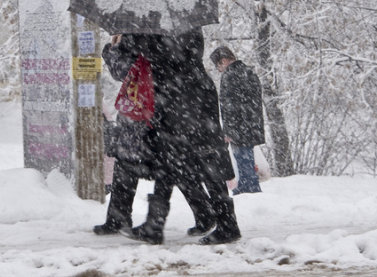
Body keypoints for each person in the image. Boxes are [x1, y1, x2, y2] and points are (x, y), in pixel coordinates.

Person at [109, 29, 241, 245]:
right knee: (179, 164)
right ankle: (157, 225)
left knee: (190, 164)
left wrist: (119, 44)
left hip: (182, 102)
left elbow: (139, 54)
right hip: (190, 96)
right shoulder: (185, 27)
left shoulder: (158, 32)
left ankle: (225, 224)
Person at [94, 35, 217, 238]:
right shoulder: (179, 35)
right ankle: (204, 212)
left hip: (143, 112)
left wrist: (112, 50)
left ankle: (123, 219)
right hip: (167, 108)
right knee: (175, 166)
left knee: (134, 164)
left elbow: (122, 70)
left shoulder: (139, 35)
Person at [209, 46, 266, 195]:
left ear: (224, 61)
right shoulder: (248, 71)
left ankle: (248, 189)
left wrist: (229, 131)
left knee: (242, 159)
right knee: (247, 157)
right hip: (251, 123)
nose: (219, 70)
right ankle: (248, 186)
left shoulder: (230, 75)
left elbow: (230, 107)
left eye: (218, 65)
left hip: (238, 126)